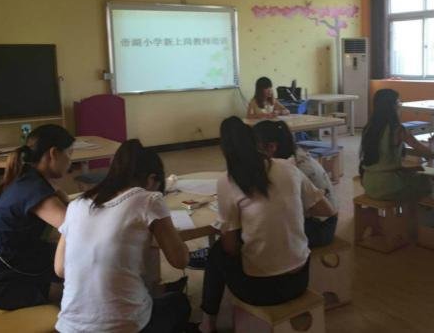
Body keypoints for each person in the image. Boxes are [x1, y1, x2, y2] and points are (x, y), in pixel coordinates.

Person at [199, 117, 335, 333]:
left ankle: (208, 323)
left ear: (224, 150)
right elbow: (327, 209)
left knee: (217, 252)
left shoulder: (228, 181)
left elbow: (231, 248)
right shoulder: (288, 167)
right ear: (257, 144)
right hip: (300, 280)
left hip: (261, 291)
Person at [55, 139, 191, 333]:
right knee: (179, 302)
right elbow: (180, 260)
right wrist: (170, 233)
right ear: (152, 180)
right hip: (122, 325)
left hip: (69, 327)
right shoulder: (149, 199)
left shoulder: (77, 204)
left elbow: (60, 269)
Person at [0, 124, 73, 310]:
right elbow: (79, 229)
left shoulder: (25, 177)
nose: (70, 160)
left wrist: (64, 200)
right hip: (8, 286)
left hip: (1, 271)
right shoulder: (35, 191)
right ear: (53, 153)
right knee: (90, 281)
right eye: (69, 153)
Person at [253, 120, 337, 247]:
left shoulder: (293, 168)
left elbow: (322, 210)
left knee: (263, 231)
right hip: (318, 217)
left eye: (256, 150)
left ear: (271, 147)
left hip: (321, 226)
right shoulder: (291, 156)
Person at [359, 89, 433, 201]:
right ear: (393, 106)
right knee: (426, 181)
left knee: (414, 175)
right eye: (399, 102)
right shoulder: (397, 129)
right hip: (389, 185)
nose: (400, 105)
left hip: (368, 183)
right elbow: (425, 151)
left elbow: (382, 163)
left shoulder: (368, 128)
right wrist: (432, 145)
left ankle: (408, 210)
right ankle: (416, 212)